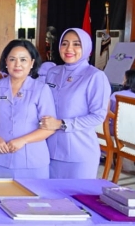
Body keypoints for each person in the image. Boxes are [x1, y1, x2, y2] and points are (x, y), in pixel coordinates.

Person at [40, 28, 110, 179]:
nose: (69, 49)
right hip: (48, 150)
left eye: (76, 44)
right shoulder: (53, 73)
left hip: (79, 153)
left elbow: (98, 116)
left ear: (86, 48)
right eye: (64, 44)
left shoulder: (95, 76)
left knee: (76, 200)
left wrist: (61, 124)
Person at [0, 40, 56, 179]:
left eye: (23, 59)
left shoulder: (41, 89)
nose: (17, 64)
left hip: (32, 160)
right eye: (12, 59)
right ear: (6, 62)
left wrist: (23, 140)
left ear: (32, 63)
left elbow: (49, 127)